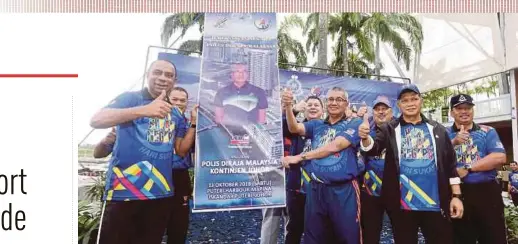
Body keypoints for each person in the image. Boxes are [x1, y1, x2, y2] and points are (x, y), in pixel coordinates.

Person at [90, 59, 196, 244]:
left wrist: (193, 123)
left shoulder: (176, 114)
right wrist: (145, 110)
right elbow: (97, 120)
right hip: (124, 192)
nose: (163, 78)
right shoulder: (130, 99)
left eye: (169, 75)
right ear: (148, 75)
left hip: (161, 194)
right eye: (157, 72)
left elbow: (180, 150)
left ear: (174, 81)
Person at [359, 84, 463, 244]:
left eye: (414, 99)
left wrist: (456, 196)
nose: (410, 103)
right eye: (405, 100)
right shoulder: (390, 129)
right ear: (399, 105)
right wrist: (365, 137)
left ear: (421, 101)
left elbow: (450, 165)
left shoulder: (437, 129)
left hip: (435, 205)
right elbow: (373, 147)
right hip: (403, 207)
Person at [281, 87, 364, 244]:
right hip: (316, 189)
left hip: (343, 190)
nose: (334, 103)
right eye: (330, 99)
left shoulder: (354, 123)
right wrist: (288, 107)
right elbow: (294, 128)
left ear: (346, 103)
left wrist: (299, 157)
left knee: (348, 237)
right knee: (313, 237)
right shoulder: (317, 124)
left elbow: (336, 146)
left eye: (338, 99)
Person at [261, 96, 324, 244]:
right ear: (304, 109)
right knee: (293, 230)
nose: (313, 107)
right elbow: (279, 129)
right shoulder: (296, 128)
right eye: (309, 105)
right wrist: (293, 110)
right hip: (297, 189)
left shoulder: (328, 129)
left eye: (317, 105)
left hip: (320, 189)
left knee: (319, 230)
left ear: (323, 110)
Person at [446, 94, 507, 244]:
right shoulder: (443, 134)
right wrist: (453, 142)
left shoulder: (488, 131)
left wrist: (469, 168)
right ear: (451, 112)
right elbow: (437, 158)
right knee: (461, 238)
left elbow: (499, 157)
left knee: (494, 237)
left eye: (467, 108)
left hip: (486, 191)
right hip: (457, 193)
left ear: (473, 110)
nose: (464, 111)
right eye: (459, 108)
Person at [359, 95, 396, 244]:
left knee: (403, 231)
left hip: (396, 190)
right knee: (370, 232)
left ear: (391, 112)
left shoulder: (399, 130)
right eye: (377, 109)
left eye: (384, 109)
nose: (381, 112)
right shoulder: (365, 130)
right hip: (370, 190)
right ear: (372, 112)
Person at [166, 86, 197, 244]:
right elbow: (181, 151)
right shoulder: (156, 119)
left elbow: (186, 151)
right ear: (167, 100)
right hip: (158, 174)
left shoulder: (189, 121)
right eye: (174, 99)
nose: (178, 103)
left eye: (182, 100)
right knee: (153, 223)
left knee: (179, 225)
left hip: (180, 176)